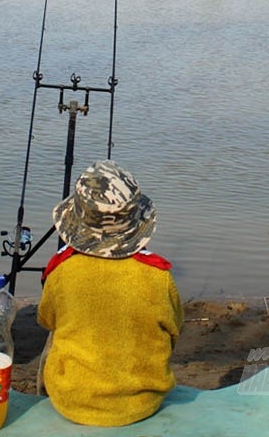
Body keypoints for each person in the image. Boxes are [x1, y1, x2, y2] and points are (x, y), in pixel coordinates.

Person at [36, 160, 183, 426]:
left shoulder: (60, 271)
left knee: (55, 335)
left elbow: (46, 319)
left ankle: (44, 395)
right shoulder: (158, 275)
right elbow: (174, 329)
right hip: (143, 403)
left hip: (70, 402)